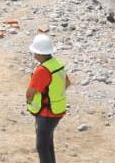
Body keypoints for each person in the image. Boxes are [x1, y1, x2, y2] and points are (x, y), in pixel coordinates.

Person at [25, 34, 70, 163]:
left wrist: (30, 102)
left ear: (40, 53)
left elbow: (30, 93)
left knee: (42, 146)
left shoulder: (42, 70)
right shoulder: (57, 64)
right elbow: (66, 83)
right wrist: (54, 96)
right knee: (48, 143)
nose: (33, 54)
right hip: (57, 110)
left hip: (46, 114)